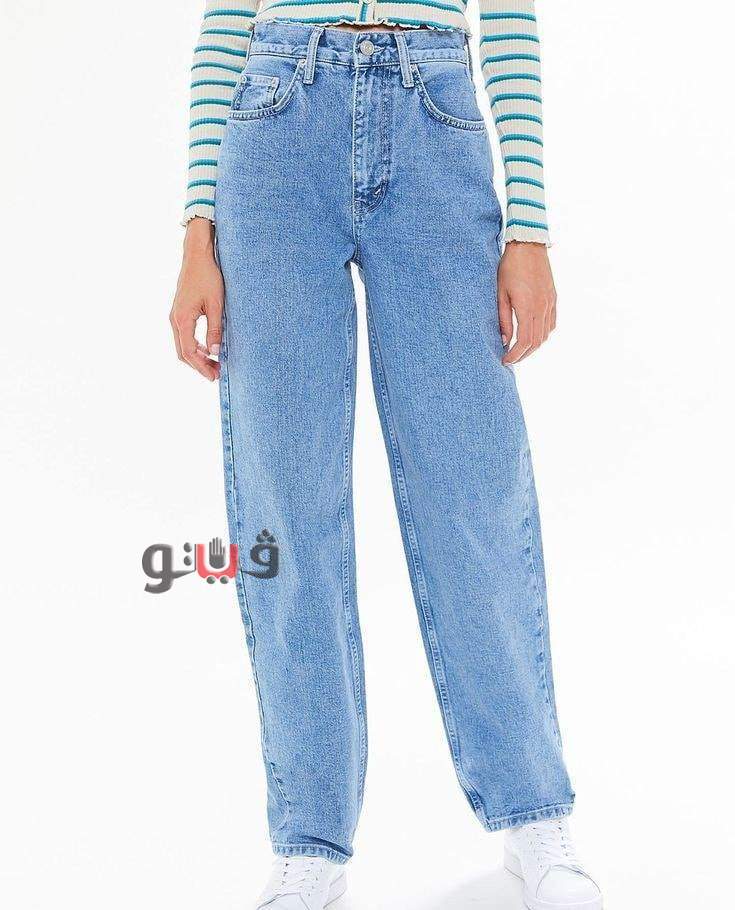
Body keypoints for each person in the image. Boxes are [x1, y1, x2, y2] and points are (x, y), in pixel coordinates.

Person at [170, 2, 603, 908]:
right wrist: (196, 234)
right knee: (287, 508)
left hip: (435, 115)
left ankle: (532, 817)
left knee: (474, 496)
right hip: (275, 126)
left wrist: (527, 227)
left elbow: (509, 23)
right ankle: (310, 843)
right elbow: (223, 26)